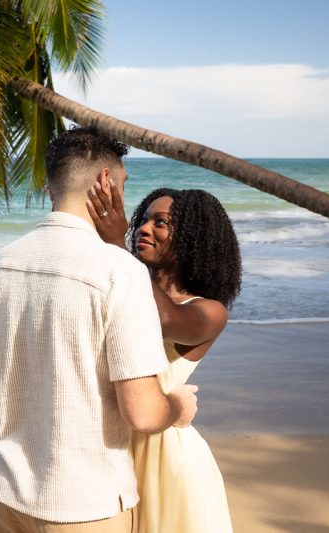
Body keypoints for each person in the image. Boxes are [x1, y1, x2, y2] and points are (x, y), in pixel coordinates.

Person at [0, 127, 200, 533]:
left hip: (4, 492)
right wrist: (177, 407)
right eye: (123, 185)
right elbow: (143, 412)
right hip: (83, 503)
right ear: (105, 182)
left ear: (52, 186)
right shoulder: (119, 271)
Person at [87, 184, 242, 533]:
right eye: (143, 219)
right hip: (111, 444)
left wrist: (117, 246)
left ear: (192, 238)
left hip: (164, 455)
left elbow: (163, 318)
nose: (143, 228)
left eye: (160, 222)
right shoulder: (125, 290)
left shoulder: (208, 311)